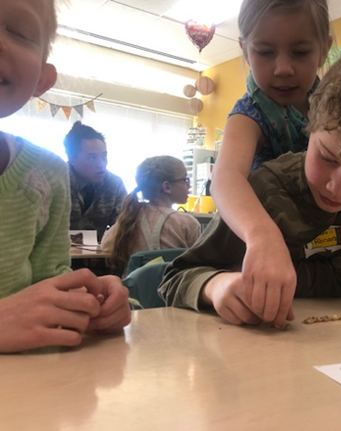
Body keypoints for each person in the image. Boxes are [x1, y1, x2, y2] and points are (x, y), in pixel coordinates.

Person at [159, 40, 341, 327]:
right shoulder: (265, 190)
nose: (338, 188)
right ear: (310, 127)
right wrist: (215, 284)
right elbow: (175, 277)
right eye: (328, 158)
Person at [0, 0, 131, 353]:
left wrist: (90, 300)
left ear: (42, 78)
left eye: (18, 31)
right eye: (91, 157)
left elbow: (49, 278)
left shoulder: (46, 174)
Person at [209, 0, 333, 316]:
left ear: (325, 48)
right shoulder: (249, 114)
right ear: (244, 50)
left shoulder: (336, 111)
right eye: (265, 52)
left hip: (318, 270)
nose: (283, 68)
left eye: (301, 52)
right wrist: (262, 237)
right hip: (255, 264)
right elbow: (225, 180)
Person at [101, 156, 201, 276]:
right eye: (185, 180)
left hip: (133, 292)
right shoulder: (187, 222)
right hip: (173, 291)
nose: (188, 185)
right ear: (167, 187)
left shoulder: (129, 218)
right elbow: (199, 264)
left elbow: (105, 246)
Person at [64, 121, 127, 241]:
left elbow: (124, 227)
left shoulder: (115, 185)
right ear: (72, 158)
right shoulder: (55, 181)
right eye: (92, 157)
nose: (101, 164)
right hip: (55, 256)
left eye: (104, 156)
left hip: (98, 257)